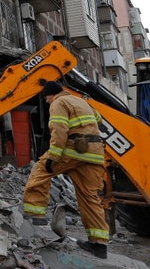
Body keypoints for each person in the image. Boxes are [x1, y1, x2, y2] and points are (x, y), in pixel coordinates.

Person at [23, 81, 109, 258]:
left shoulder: (58, 103)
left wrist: (53, 157)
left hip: (73, 149)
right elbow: (98, 118)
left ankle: (35, 216)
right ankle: (99, 245)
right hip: (94, 153)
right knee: (90, 196)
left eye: (45, 98)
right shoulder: (81, 101)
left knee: (41, 171)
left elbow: (59, 131)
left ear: (51, 94)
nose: (46, 102)